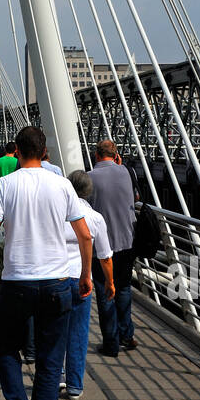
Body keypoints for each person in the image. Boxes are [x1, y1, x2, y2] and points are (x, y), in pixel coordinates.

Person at [0, 126, 93, 400]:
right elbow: (84, 236)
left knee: (7, 348)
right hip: (57, 282)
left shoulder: (5, 185)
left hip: (17, 283)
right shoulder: (63, 185)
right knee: (51, 363)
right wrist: (85, 275)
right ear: (45, 152)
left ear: (18, 152)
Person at [62, 171, 114, 399]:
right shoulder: (95, 218)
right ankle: (74, 385)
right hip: (82, 279)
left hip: (56, 278)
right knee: (79, 333)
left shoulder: (57, 213)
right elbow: (105, 257)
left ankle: (56, 376)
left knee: (54, 330)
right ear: (88, 192)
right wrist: (110, 283)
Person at [89, 139, 138, 356]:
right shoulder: (128, 173)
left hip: (102, 244)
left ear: (97, 155)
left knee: (104, 290)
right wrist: (121, 166)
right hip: (128, 240)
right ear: (116, 155)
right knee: (124, 287)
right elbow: (136, 197)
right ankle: (127, 335)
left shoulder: (89, 178)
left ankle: (110, 342)